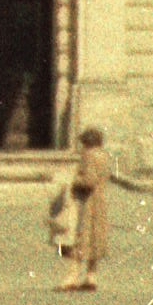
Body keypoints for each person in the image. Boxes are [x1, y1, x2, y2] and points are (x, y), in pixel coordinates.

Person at [58, 121, 114, 293]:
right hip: (101, 202)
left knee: (79, 238)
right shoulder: (104, 156)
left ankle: (72, 277)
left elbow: (89, 180)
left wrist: (72, 181)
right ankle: (91, 275)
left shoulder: (88, 156)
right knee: (95, 240)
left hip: (86, 203)